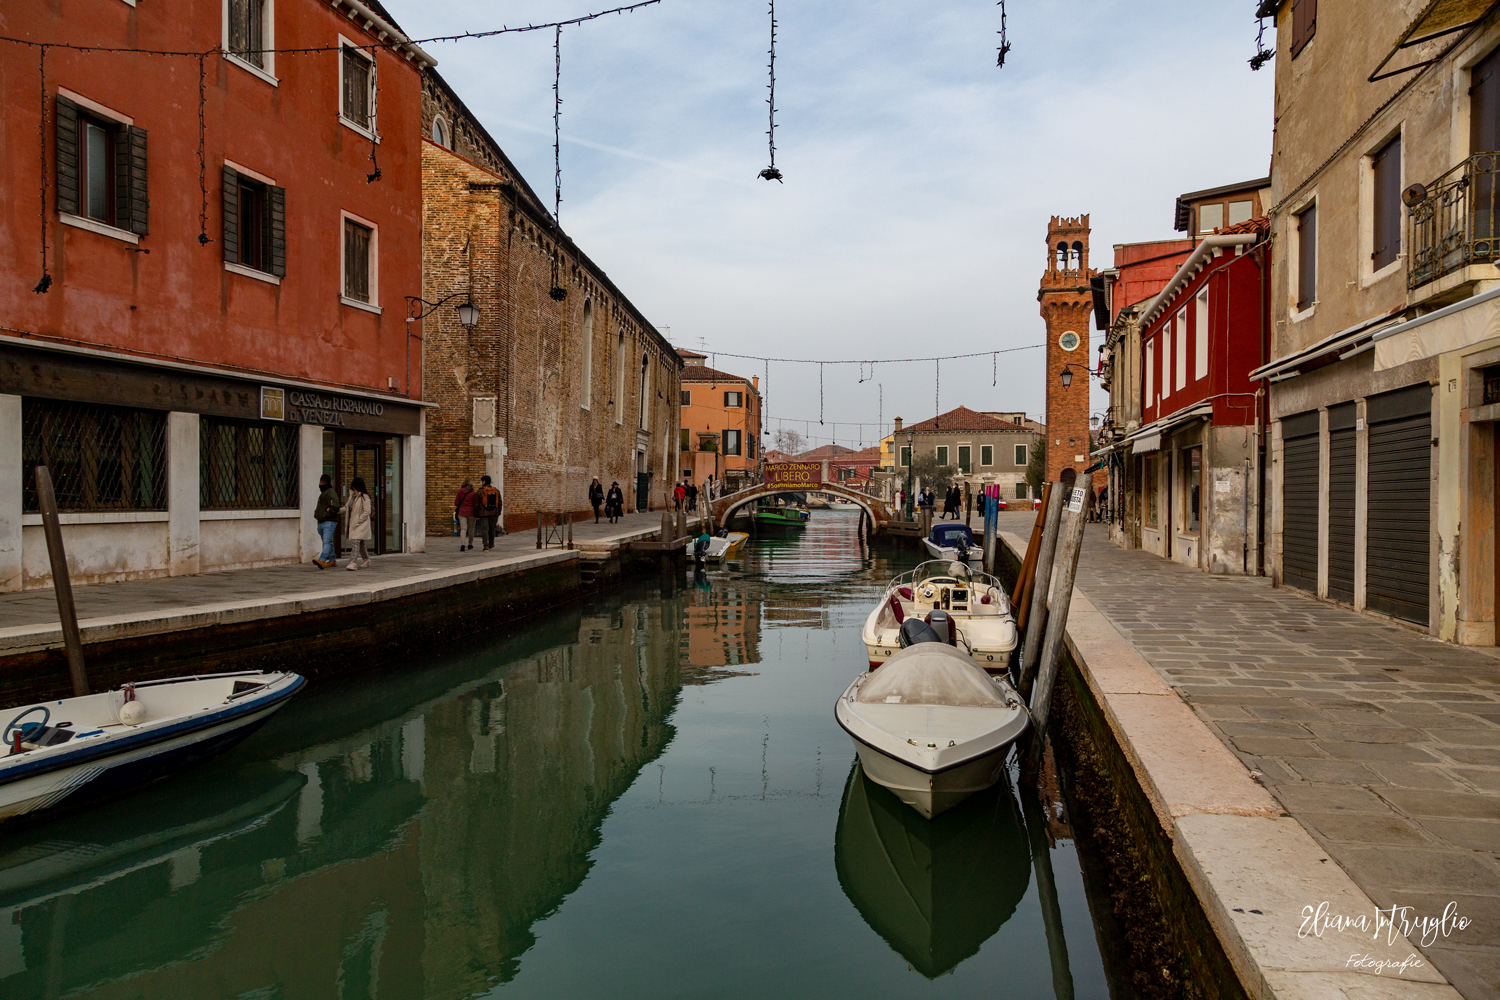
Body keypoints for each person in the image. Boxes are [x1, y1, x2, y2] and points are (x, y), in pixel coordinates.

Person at [342, 477, 372, 571]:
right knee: (361, 542)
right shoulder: (352, 496)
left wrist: (360, 520)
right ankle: (366, 559)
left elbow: (367, 511)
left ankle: (353, 562)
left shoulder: (364, 497)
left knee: (355, 541)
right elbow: (346, 507)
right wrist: (337, 510)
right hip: (353, 522)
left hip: (361, 524)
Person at [313, 474, 340, 569]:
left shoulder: (330, 493)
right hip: (321, 521)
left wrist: (326, 514)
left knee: (327, 541)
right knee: (328, 542)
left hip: (329, 521)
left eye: (321, 483)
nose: (320, 484)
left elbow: (335, 506)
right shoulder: (324, 493)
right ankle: (332, 560)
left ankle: (322, 559)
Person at [476, 475, 503, 549]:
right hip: (494, 513)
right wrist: (498, 512)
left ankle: (485, 545)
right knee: (492, 529)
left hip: (483, 513)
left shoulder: (480, 491)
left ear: (484, 482)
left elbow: (476, 504)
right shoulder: (496, 491)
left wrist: (477, 514)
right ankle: (491, 543)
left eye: (481, 481)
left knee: (484, 529)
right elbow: (500, 503)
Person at [455, 479, 478, 550]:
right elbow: (475, 503)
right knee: (471, 528)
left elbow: (456, 503)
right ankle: (470, 544)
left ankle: (462, 544)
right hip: (471, 512)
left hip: (461, 512)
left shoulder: (460, 492)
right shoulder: (474, 493)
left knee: (463, 529)